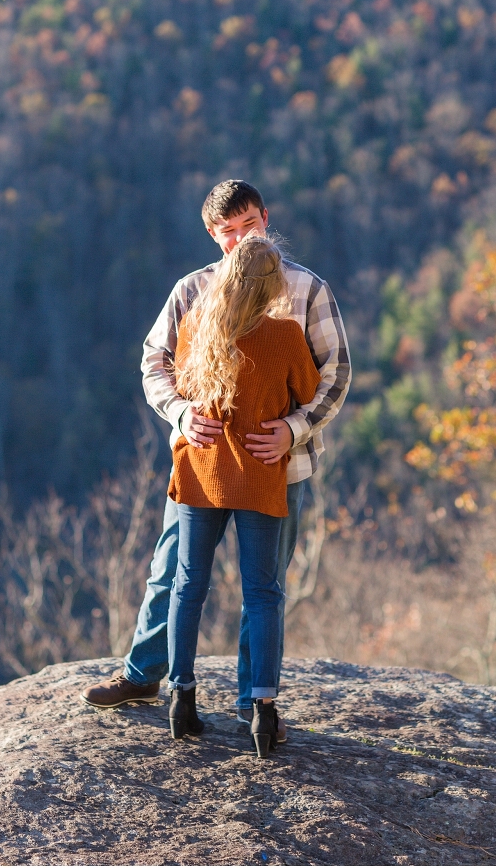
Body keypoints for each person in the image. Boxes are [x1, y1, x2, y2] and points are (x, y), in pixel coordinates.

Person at [82, 180, 351, 737]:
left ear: (265, 219)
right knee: (172, 573)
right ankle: (145, 673)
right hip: (202, 464)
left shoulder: (305, 289)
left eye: (248, 225)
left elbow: (336, 372)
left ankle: (250, 703)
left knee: (263, 582)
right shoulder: (192, 291)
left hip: (281, 465)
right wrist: (181, 414)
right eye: (228, 231)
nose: (240, 239)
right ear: (212, 235)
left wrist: (295, 429)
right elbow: (154, 362)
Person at [166, 235, 321, 755]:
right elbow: (308, 387)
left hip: (201, 472)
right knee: (263, 592)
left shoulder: (196, 327)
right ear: (273, 286)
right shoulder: (284, 335)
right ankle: (262, 709)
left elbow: (178, 385)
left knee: (189, 584)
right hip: (259, 472)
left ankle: (181, 697)